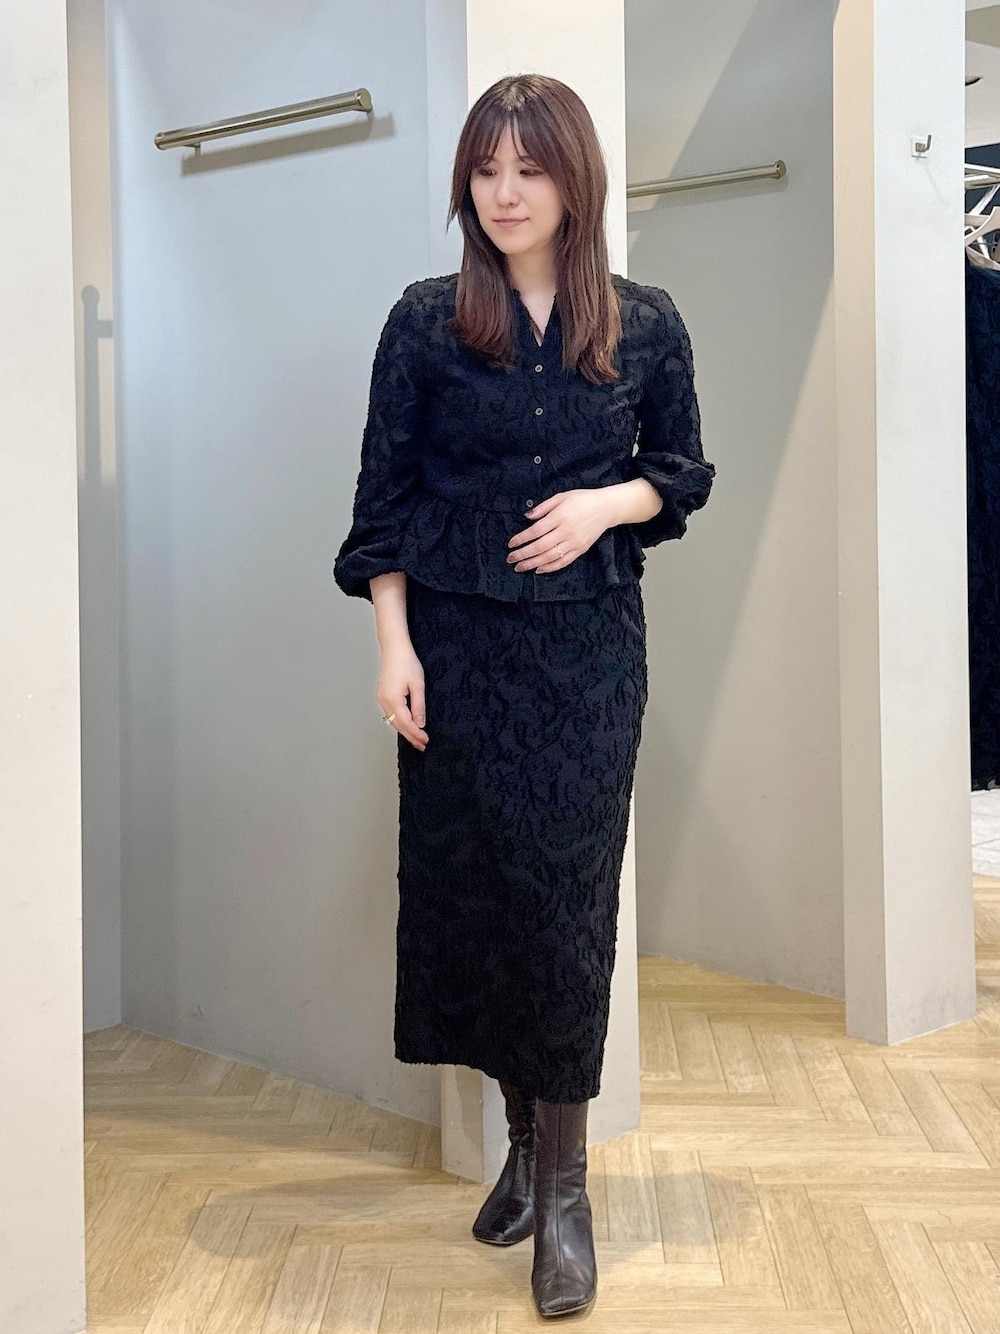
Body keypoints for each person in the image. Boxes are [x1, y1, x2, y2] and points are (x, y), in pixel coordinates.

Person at [332, 72, 716, 1320]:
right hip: (455, 656)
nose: (504, 193)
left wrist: (605, 503)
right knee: (485, 905)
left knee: (564, 916)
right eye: (486, 171)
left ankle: (565, 1193)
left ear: (572, 180)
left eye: (528, 169)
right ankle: (519, 1146)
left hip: (589, 659)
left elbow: (681, 472)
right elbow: (381, 507)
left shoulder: (644, 322)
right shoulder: (424, 322)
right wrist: (393, 646)